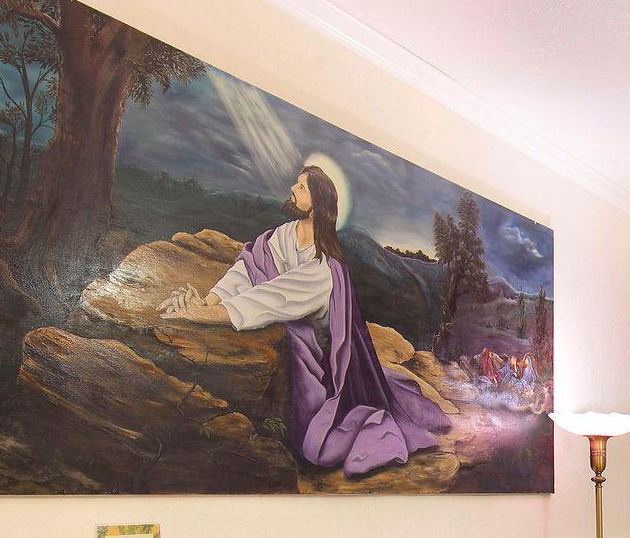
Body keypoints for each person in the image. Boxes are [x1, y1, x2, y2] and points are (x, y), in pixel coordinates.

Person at [158, 165, 448, 476]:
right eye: (296, 185)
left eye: (301, 187)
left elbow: (268, 299)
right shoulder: (282, 235)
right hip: (292, 328)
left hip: (324, 363)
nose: (292, 191)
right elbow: (248, 270)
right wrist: (208, 300)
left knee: (317, 446)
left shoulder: (323, 269)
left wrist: (200, 315)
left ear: (318, 203)